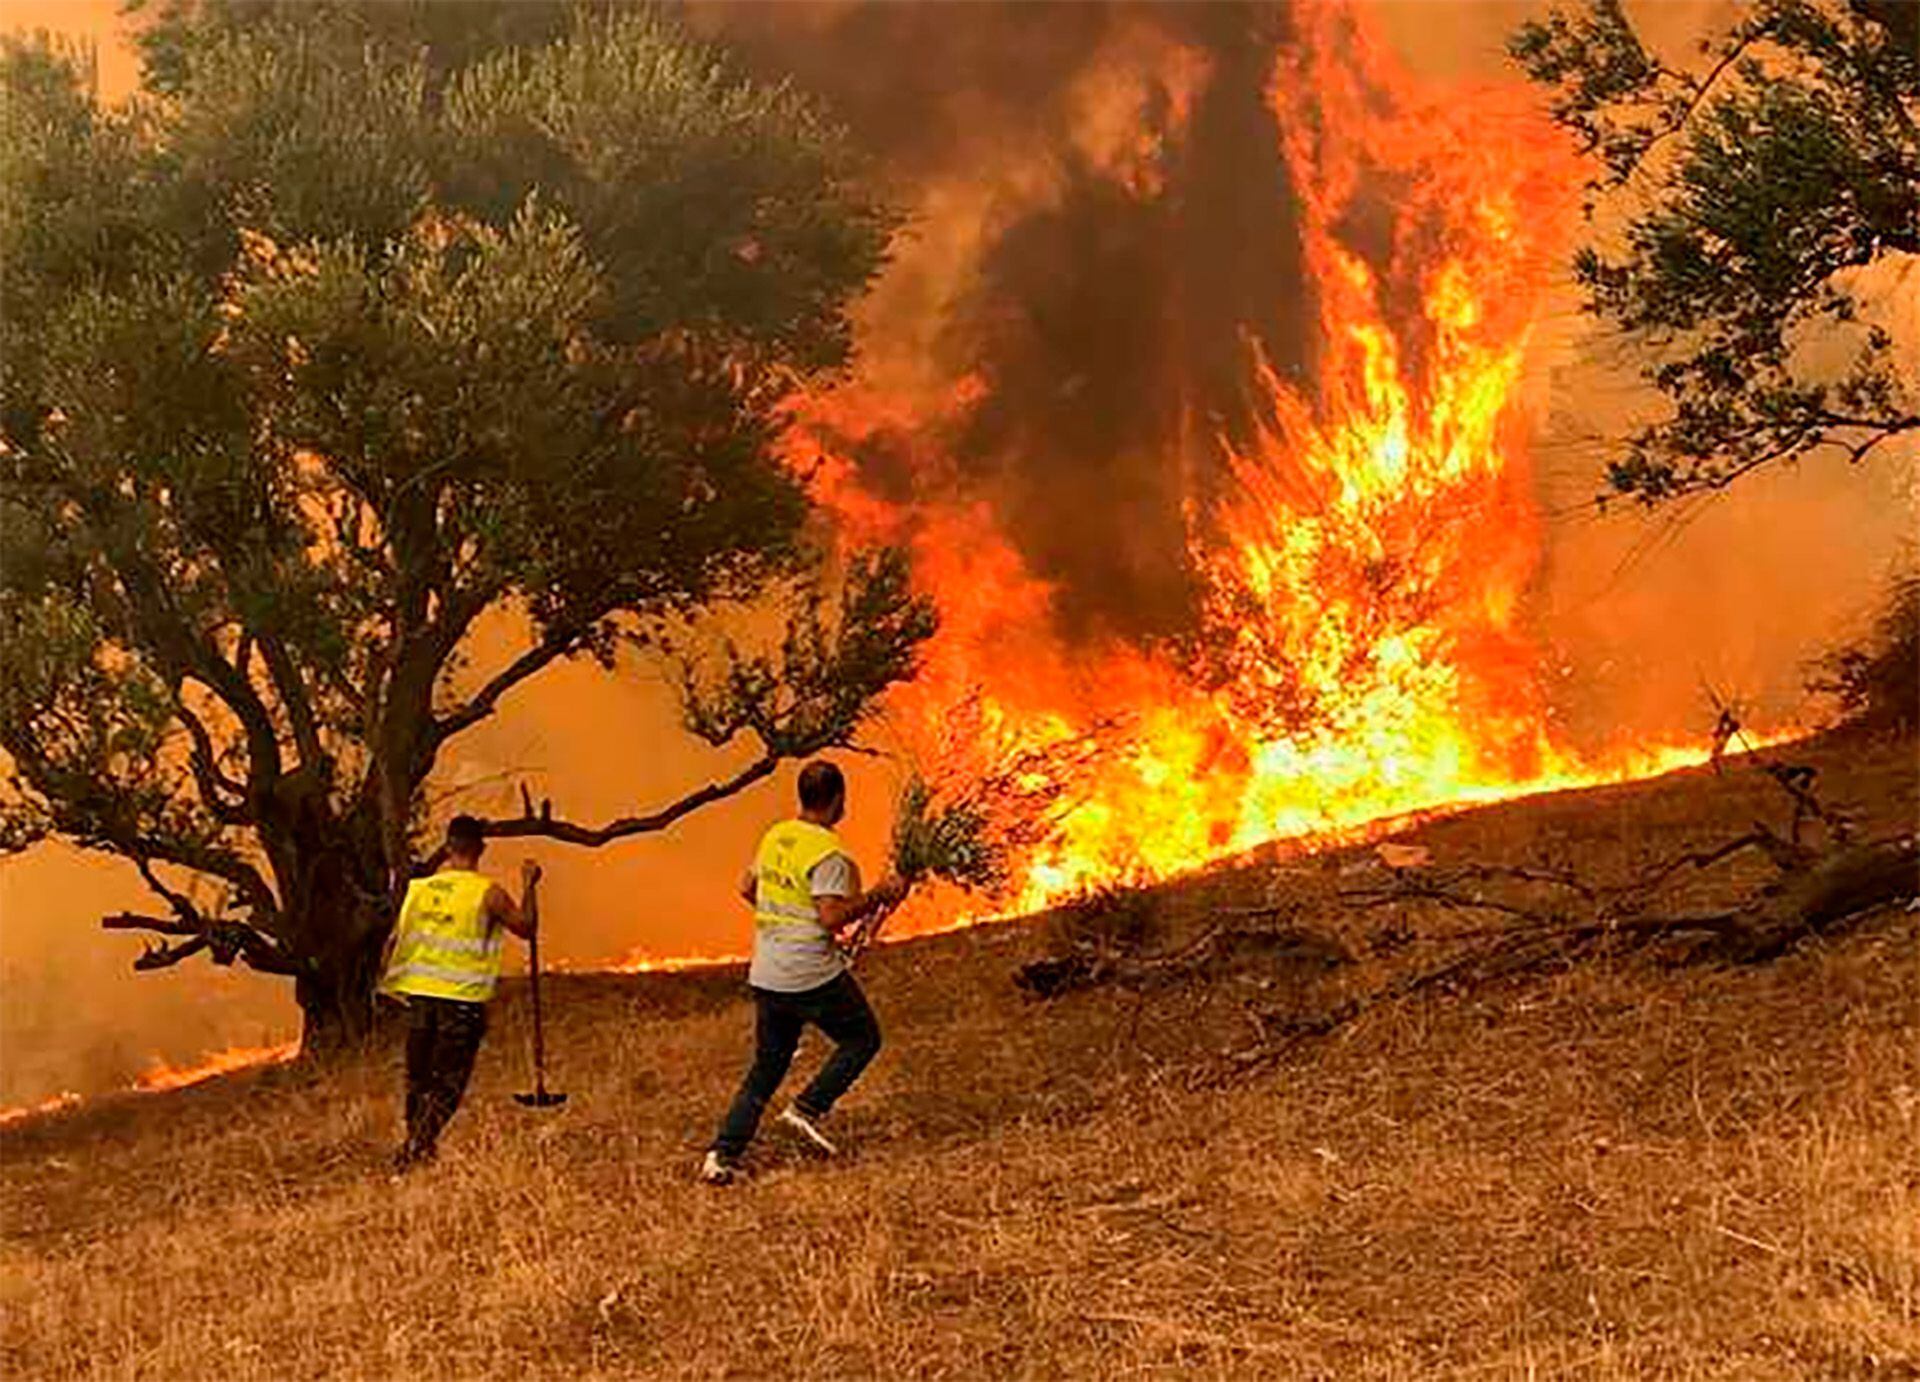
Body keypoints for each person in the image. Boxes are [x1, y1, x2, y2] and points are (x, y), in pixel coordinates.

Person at [701, 760, 906, 1185]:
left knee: (767, 1067)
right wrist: (879, 894)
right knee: (863, 1038)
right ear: (838, 801)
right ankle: (806, 1109)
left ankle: (722, 1156)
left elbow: (746, 888)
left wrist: (782, 923)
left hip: (768, 971)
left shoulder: (777, 835)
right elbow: (832, 916)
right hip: (810, 974)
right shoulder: (830, 855)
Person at [379, 814, 539, 1173]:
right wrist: (528, 884)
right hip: (461, 1002)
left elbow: (393, 942)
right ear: (481, 849)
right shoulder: (488, 893)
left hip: (419, 1000)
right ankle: (415, 1148)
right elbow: (526, 927)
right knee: (449, 1081)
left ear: (448, 847)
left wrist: (389, 987)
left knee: (418, 1079)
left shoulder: (419, 891)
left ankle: (418, 1148)